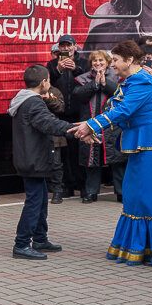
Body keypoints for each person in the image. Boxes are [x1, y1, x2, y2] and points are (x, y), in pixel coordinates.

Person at [69, 41, 152, 268]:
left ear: (129, 60)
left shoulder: (141, 81)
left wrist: (92, 126)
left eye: (115, 60)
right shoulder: (132, 81)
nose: (112, 64)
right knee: (138, 194)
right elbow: (114, 109)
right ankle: (147, 247)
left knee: (149, 195)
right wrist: (90, 124)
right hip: (147, 142)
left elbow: (125, 110)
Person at [8, 65, 72, 260]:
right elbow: (49, 123)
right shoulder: (33, 103)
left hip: (32, 158)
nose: (49, 84)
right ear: (44, 82)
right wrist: (75, 129)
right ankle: (21, 244)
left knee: (41, 199)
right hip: (33, 160)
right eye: (49, 81)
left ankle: (40, 238)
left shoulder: (24, 100)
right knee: (34, 202)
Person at [71, 51, 125, 203]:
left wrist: (104, 83)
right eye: (94, 61)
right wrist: (94, 84)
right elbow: (78, 95)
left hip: (113, 126)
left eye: (101, 60)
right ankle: (91, 192)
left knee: (117, 161)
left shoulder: (117, 76)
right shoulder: (83, 79)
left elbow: (120, 93)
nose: (98, 63)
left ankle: (121, 192)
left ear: (108, 62)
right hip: (91, 125)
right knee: (92, 162)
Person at [45, 35, 89, 201]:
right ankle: (68, 186)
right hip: (60, 114)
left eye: (68, 45)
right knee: (64, 154)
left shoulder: (84, 63)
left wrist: (76, 69)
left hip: (80, 113)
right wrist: (59, 70)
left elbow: (89, 82)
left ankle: (84, 187)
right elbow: (47, 84)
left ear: (75, 47)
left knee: (81, 151)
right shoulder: (51, 64)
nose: (65, 49)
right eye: (62, 46)